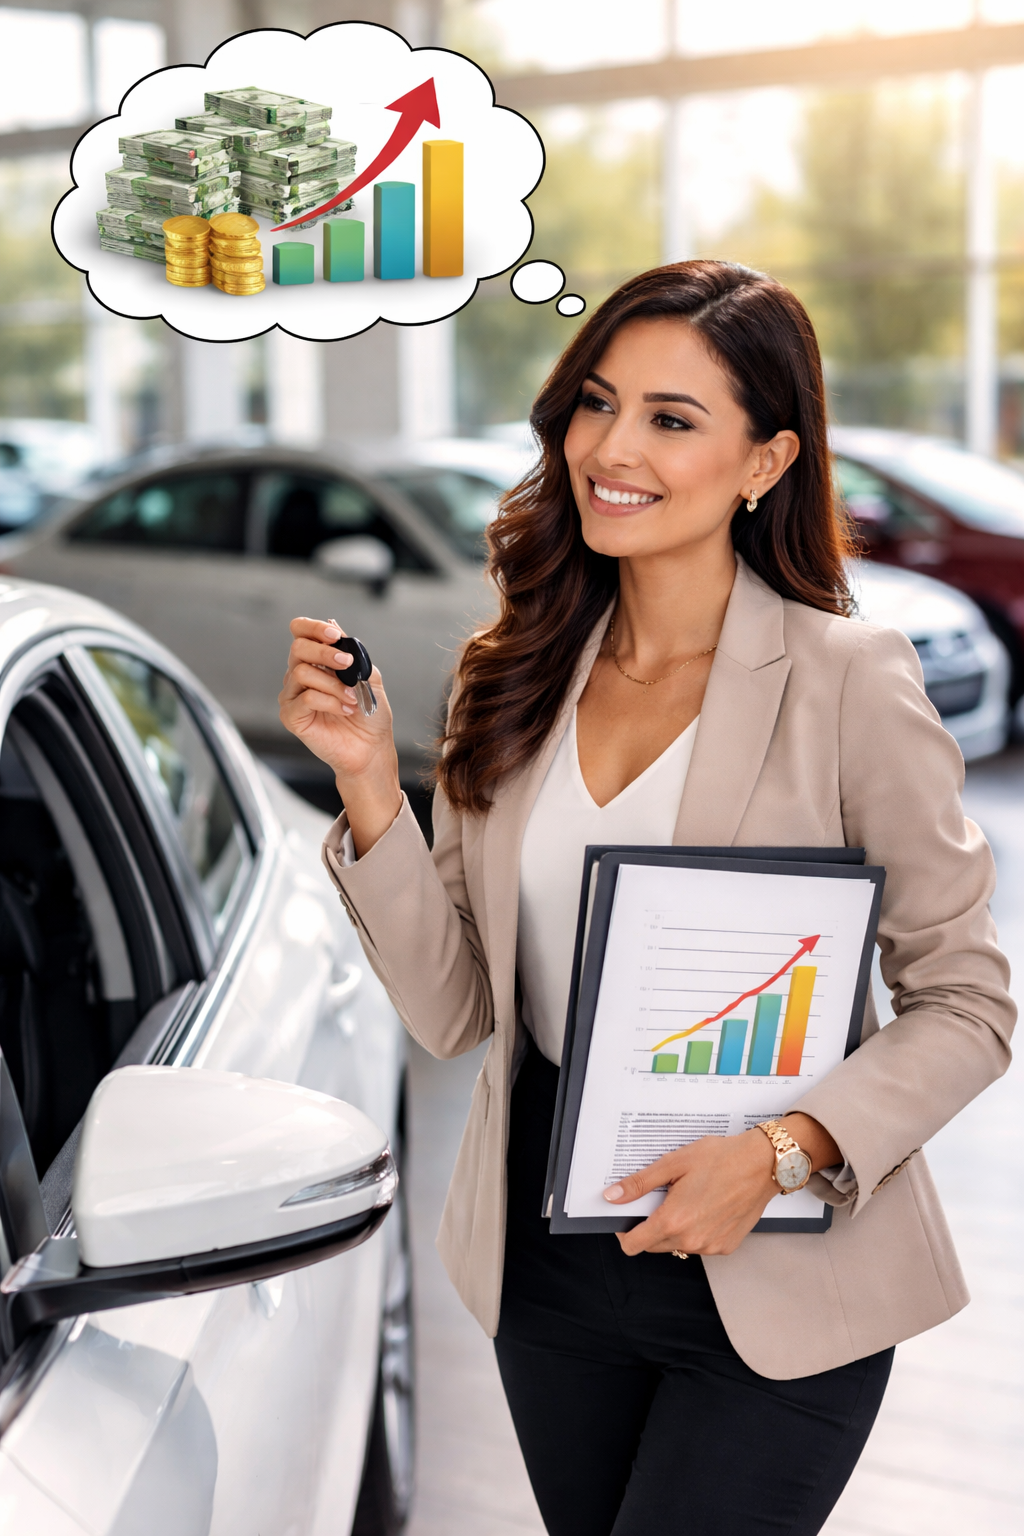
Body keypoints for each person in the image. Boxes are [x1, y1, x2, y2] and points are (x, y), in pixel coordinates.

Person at [278, 260, 1014, 1536]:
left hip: (780, 1268)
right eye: (596, 404)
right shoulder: (508, 671)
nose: (612, 448)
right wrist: (367, 793)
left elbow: (967, 1004)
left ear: (765, 461)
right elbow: (456, 1011)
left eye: (673, 420)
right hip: (550, 1267)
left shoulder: (847, 678)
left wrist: (781, 1154)